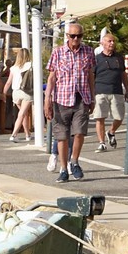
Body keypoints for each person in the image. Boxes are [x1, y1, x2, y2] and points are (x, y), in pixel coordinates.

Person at [45, 20, 95, 183]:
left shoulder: (88, 51)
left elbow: (90, 76)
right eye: (73, 36)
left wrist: (92, 97)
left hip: (81, 97)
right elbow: (52, 78)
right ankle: (64, 168)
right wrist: (47, 100)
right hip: (61, 98)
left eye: (79, 36)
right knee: (62, 136)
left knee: (79, 132)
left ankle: (74, 161)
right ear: (67, 36)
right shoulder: (58, 52)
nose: (76, 39)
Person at [91, 31, 127, 151]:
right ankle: (101, 143)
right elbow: (91, 76)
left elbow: (123, 74)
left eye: (113, 41)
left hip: (116, 91)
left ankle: (111, 132)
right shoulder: (96, 59)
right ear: (102, 43)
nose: (112, 43)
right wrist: (91, 92)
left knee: (119, 117)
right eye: (109, 41)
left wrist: (127, 89)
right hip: (100, 91)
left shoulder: (119, 58)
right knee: (100, 117)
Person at [4, 46, 35, 142]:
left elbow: (9, 82)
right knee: (22, 114)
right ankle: (14, 134)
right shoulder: (31, 65)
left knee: (23, 114)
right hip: (26, 92)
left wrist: (4, 93)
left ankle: (27, 134)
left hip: (16, 92)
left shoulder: (13, 68)